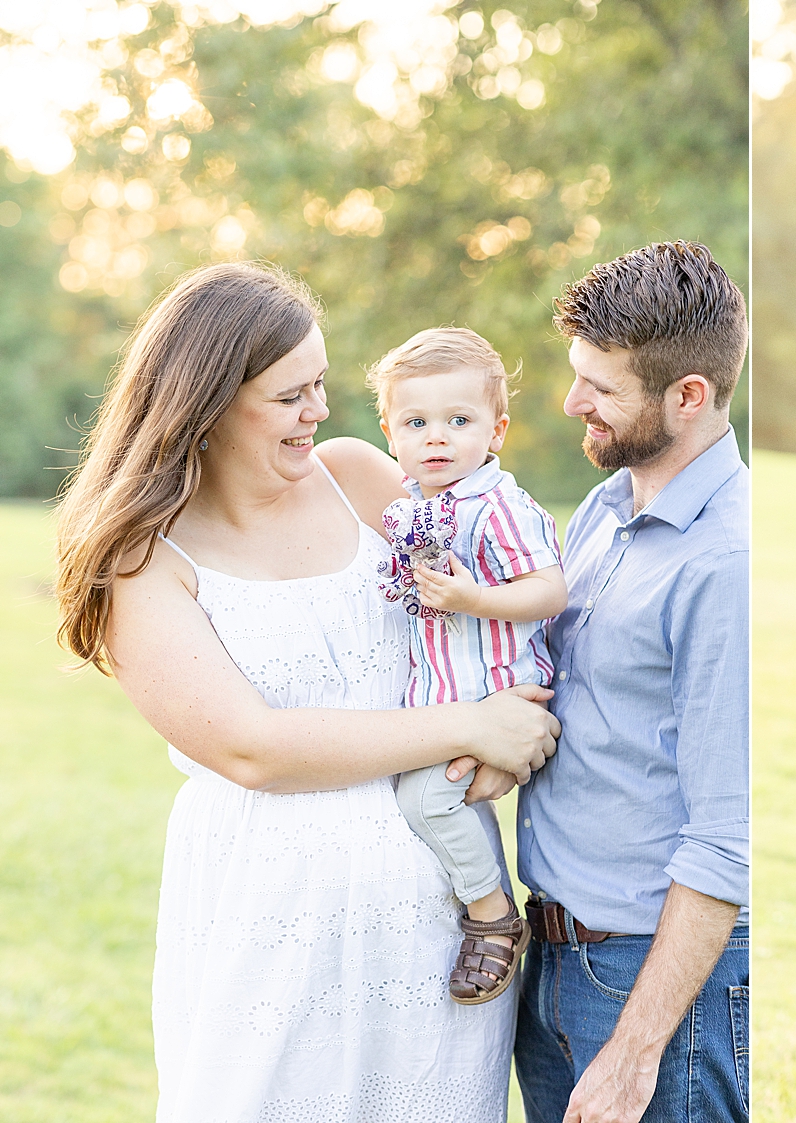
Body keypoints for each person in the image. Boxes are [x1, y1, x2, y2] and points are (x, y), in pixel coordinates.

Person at [52, 261, 560, 1122]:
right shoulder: (142, 562)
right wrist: (469, 723)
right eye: (292, 395)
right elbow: (253, 747)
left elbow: (495, 575)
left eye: (320, 385)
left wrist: (512, 725)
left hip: (440, 927)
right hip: (269, 924)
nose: (320, 411)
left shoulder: (360, 477)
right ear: (209, 404)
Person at [502, 241, 750, 1123]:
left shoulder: (727, 564)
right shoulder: (608, 508)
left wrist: (637, 1045)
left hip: (654, 987)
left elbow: (730, 835)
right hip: (554, 957)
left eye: (600, 388)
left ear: (687, 396)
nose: (573, 404)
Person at [368, 327, 568, 1004]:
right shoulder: (411, 510)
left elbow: (549, 589)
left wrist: (471, 597)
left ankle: (490, 915)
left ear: (497, 429)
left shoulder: (498, 505)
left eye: (459, 421)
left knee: (423, 796)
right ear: (390, 433)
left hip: (494, 691)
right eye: (417, 422)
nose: (438, 438)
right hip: (446, 702)